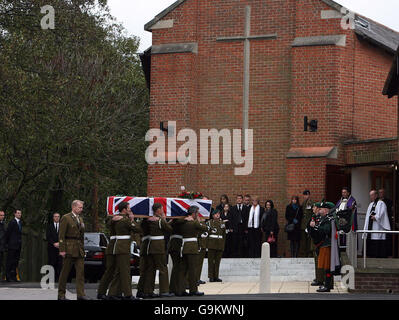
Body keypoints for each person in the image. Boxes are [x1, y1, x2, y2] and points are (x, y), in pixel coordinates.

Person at [107, 202, 141, 300]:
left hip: (118, 247)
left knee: (119, 271)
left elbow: (109, 223)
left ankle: (113, 293)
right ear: (124, 210)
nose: (130, 209)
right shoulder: (125, 220)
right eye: (128, 208)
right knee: (125, 271)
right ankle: (128, 294)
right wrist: (132, 219)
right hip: (123, 248)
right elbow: (138, 229)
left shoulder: (117, 218)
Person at [57, 200, 90, 300]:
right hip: (69, 248)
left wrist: (83, 249)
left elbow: (82, 236)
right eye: (80, 207)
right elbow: (61, 235)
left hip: (79, 249)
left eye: (81, 207)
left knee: (80, 273)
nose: (81, 209)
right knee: (65, 273)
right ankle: (61, 295)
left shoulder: (80, 219)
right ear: (74, 207)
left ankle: (81, 294)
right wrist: (62, 249)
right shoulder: (66, 218)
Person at [141, 203, 174, 298]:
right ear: (158, 210)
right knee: (163, 268)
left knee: (151, 269)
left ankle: (148, 291)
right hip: (159, 247)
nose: (163, 210)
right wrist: (164, 219)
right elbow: (169, 229)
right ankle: (164, 291)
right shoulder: (159, 220)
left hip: (150, 246)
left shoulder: (149, 220)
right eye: (162, 209)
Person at [177, 205, 208, 296]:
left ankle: (181, 289)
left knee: (183, 270)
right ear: (193, 213)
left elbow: (178, 222)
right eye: (197, 213)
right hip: (192, 248)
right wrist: (198, 220)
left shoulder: (183, 222)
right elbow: (205, 228)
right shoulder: (194, 223)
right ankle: (193, 290)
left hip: (184, 247)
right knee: (192, 270)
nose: (198, 214)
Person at [309, 201, 338, 293]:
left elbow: (326, 230)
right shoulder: (324, 218)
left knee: (327, 266)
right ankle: (327, 285)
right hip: (323, 244)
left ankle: (327, 285)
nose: (319, 210)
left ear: (326, 210)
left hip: (327, 244)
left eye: (321, 209)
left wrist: (316, 227)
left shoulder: (329, 219)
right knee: (326, 266)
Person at [363, 190, 391, 258]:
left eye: (372, 195)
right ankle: (371, 254)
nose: (371, 197)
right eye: (370, 195)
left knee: (377, 238)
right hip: (371, 225)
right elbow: (368, 215)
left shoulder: (381, 203)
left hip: (378, 226)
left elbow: (382, 212)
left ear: (376, 195)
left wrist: (376, 217)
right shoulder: (371, 204)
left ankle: (379, 255)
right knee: (371, 239)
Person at [307, 203, 324, 287]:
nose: (313, 208)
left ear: (318, 208)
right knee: (316, 262)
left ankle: (320, 279)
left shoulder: (319, 217)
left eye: (314, 207)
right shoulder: (314, 216)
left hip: (318, 243)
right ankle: (318, 277)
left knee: (319, 261)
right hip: (314, 242)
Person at [207, 209, 226, 282]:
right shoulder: (210, 223)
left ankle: (216, 276)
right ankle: (211, 276)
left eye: (218, 214)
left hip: (219, 244)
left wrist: (223, 245)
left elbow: (224, 235)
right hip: (211, 244)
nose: (217, 215)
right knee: (211, 261)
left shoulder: (222, 223)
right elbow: (207, 234)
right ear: (213, 215)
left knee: (217, 261)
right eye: (216, 214)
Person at [5, 209, 23, 282]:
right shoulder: (12, 222)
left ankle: (14, 276)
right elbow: (8, 233)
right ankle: (8, 276)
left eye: (20, 213)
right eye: (18, 213)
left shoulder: (20, 223)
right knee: (10, 261)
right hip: (12, 245)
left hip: (18, 246)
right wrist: (8, 243)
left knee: (16, 262)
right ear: (15, 214)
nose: (19, 214)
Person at [46, 212, 62, 282]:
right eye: (55, 216)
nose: (57, 218)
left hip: (60, 247)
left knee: (59, 263)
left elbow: (64, 236)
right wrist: (54, 243)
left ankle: (58, 279)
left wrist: (59, 243)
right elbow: (48, 236)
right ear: (53, 217)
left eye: (58, 216)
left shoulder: (62, 226)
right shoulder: (49, 226)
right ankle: (50, 278)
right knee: (51, 262)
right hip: (51, 248)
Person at [378, 188, 393, 257]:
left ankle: (388, 254)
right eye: (379, 193)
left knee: (387, 238)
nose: (381, 194)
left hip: (387, 222)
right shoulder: (376, 201)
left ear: (384, 193)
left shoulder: (389, 201)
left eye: (382, 192)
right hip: (378, 223)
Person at [300, 190, 313, 257]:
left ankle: (308, 254)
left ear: (309, 195)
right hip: (303, 225)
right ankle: (304, 254)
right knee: (303, 240)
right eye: (304, 195)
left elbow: (312, 214)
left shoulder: (311, 203)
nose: (305, 196)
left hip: (308, 224)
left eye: (306, 195)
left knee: (308, 240)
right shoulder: (303, 203)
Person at [0, 211, 6, 281]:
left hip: (2, 247)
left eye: (3, 215)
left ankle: (2, 277)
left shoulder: (4, 224)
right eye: (1, 215)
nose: (2, 216)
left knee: (1, 262)